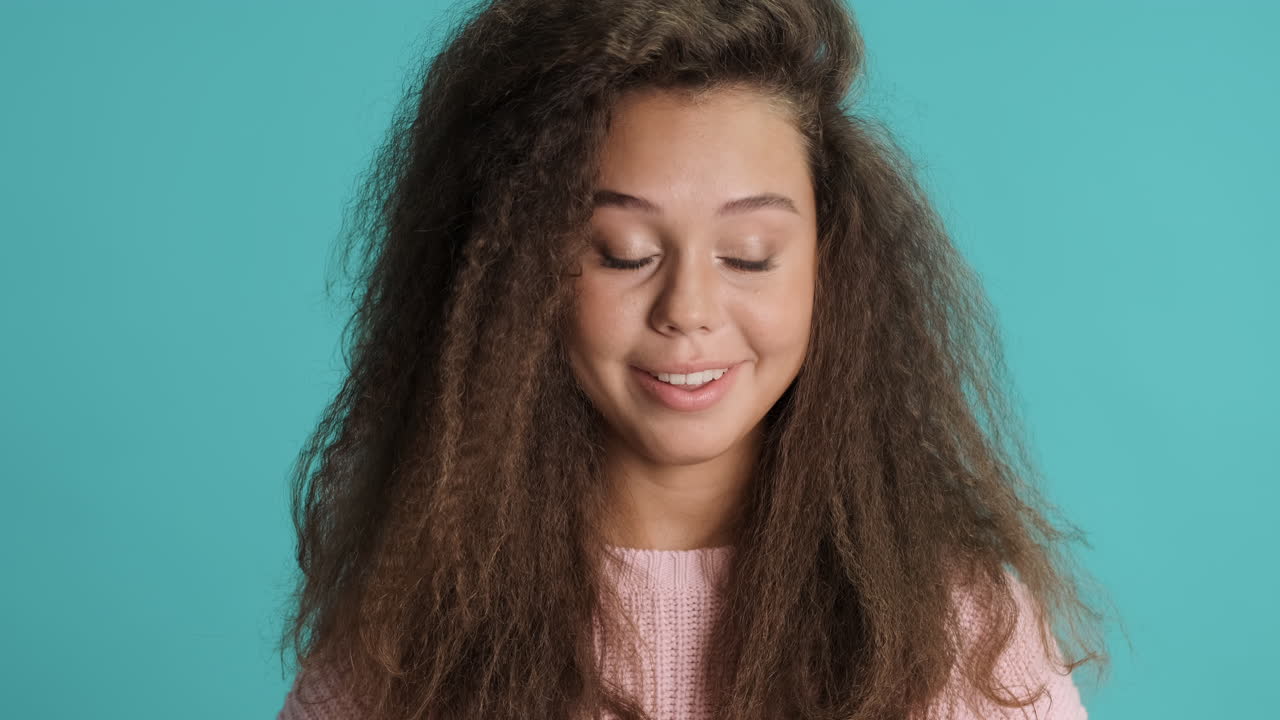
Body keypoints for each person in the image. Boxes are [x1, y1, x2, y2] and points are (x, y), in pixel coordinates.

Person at [274, 1, 1110, 718]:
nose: (689, 312)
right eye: (623, 251)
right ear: (517, 278)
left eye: (747, 254)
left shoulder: (962, 633)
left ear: (831, 267)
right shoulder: (401, 640)